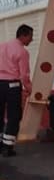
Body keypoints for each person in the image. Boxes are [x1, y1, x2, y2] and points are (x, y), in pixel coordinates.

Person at [0, 23, 33, 156]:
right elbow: (24, 75)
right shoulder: (22, 51)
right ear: (23, 36)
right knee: (14, 115)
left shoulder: (2, 46)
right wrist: (30, 89)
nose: (32, 39)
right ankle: (8, 147)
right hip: (12, 85)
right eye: (31, 36)